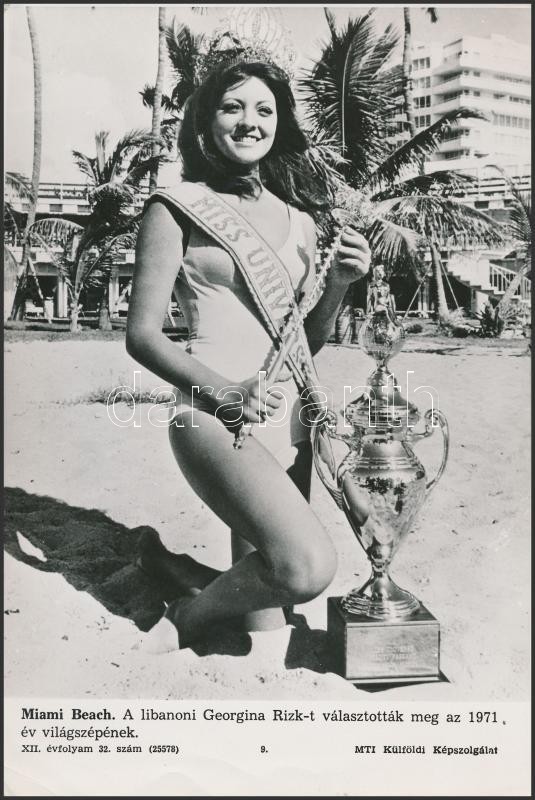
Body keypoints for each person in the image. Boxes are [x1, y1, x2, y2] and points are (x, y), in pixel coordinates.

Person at [126, 60, 370, 652]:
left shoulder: (301, 222)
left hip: (287, 417)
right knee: (306, 569)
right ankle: (189, 613)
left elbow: (303, 345)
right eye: (231, 106)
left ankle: (180, 570)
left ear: (280, 122)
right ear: (205, 120)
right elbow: (142, 336)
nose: (249, 122)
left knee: (269, 616)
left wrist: (338, 285)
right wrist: (227, 393)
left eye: (264, 109)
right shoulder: (176, 206)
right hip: (214, 412)